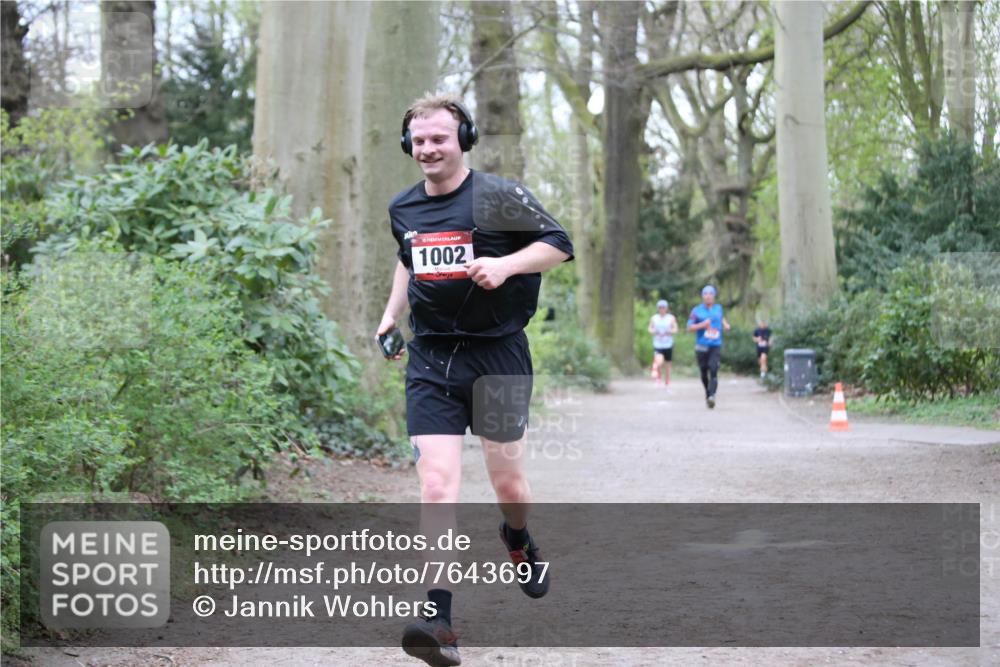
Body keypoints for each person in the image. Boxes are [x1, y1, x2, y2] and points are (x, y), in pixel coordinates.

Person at [376, 92, 573, 667]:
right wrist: (390, 315)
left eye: (439, 138)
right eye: (419, 140)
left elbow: (558, 245)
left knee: (509, 486)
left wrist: (506, 265)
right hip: (433, 359)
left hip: (498, 356)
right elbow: (408, 259)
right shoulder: (403, 207)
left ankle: (518, 538)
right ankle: (438, 620)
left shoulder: (497, 196)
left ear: (463, 140)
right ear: (407, 145)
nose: (428, 149)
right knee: (437, 485)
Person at [686, 285, 730, 409]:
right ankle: (708, 393)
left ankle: (712, 396)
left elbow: (721, 318)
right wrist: (702, 325)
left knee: (714, 369)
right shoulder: (696, 311)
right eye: (705, 294)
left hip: (715, 345)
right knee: (704, 372)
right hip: (701, 345)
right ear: (702, 296)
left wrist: (726, 325)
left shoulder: (718, 308)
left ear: (714, 296)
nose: (708, 296)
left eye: (710, 294)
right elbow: (689, 327)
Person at [647, 299, 677, 385]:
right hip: (658, 344)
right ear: (658, 308)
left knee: (667, 363)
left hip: (668, 344)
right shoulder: (654, 318)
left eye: (663, 307)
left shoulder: (671, 318)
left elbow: (675, 329)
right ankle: (658, 376)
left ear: (666, 308)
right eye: (660, 307)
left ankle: (667, 379)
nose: (662, 309)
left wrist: (669, 332)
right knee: (658, 360)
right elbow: (650, 328)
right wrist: (654, 331)